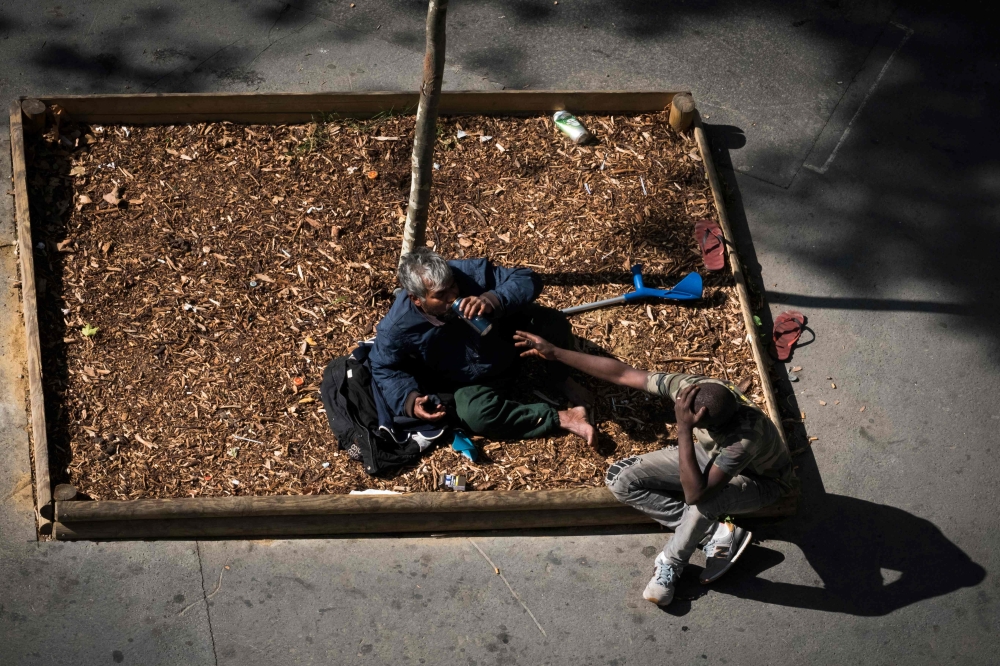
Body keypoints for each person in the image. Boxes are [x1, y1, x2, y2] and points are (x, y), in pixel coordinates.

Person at [513, 330, 795, 607]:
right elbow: (623, 373)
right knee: (621, 478)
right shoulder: (693, 389)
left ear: (709, 424)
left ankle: (671, 563)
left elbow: (695, 494)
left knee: (706, 500)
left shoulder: (742, 440)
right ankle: (716, 535)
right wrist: (555, 352)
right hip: (708, 455)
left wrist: (684, 429)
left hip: (763, 482)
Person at [369, 248, 595, 446]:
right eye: (440, 295)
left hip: (509, 340)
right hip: (471, 378)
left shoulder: (468, 274)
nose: (452, 297)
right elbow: (383, 367)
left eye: (452, 287)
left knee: (552, 322)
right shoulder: (397, 327)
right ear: (417, 299)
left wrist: (492, 299)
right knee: (475, 414)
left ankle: (561, 378)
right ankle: (561, 418)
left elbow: (527, 278)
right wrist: (409, 399)